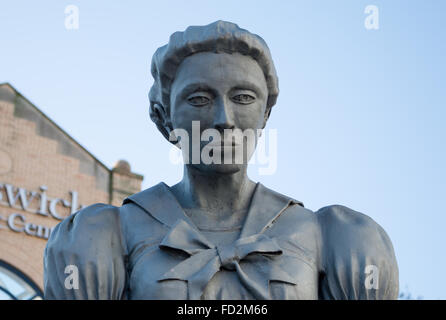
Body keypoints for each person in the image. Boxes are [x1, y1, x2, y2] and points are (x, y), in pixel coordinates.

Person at [43, 20, 399, 300]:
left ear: (265, 115)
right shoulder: (105, 236)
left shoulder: (335, 238)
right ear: (163, 117)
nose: (224, 118)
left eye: (243, 97)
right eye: (198, 99)